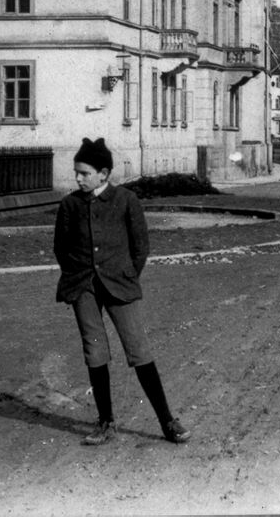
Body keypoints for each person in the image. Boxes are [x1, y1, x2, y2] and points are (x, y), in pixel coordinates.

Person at [54, 137, 190, 446]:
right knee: (94, 351)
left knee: (138, 349)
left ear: (103, 173)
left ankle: (167, 421)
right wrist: (78, 275)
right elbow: (61, 248)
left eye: (84, 173)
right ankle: (105, 422)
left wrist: (126, 276)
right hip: (83, 286)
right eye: (76, 173)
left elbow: (140, 247)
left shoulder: (126, 200)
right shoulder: (70, 204)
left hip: (120, 284)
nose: (78, 179)